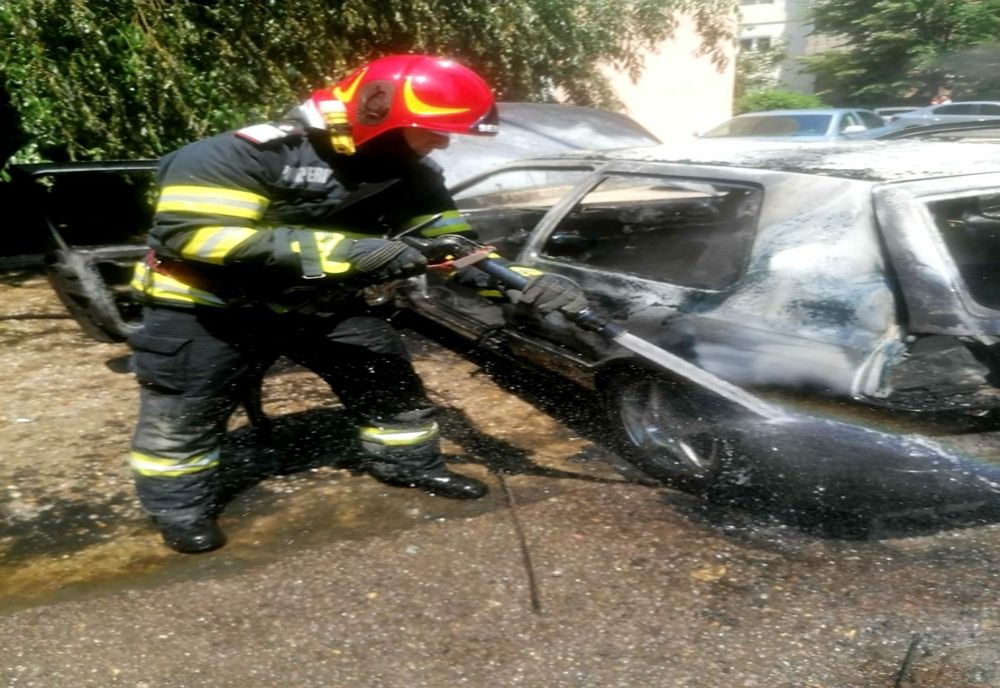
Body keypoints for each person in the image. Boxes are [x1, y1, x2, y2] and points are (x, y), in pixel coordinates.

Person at [126, 54, 587, 554]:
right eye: (430, 129)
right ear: (380, 116)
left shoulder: (410, 172)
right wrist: (351, 253)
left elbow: (454, 247)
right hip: (209, 308)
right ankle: (181, 510)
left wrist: (523, 283)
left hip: (321, 305)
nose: (442, 142)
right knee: (185, 412)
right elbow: (196, 237)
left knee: (389, 384)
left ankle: (409, 466)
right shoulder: (241, 155)